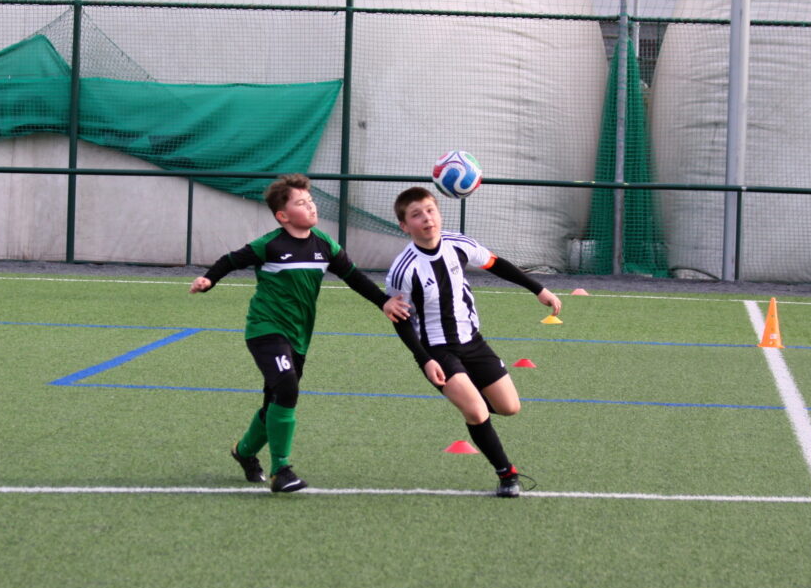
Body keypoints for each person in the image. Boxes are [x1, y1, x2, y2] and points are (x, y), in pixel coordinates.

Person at [190, 173, 409, 492]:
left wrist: (383, 302)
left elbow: (354, 277)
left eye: (311, 201)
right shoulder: (269, 245)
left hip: (299, 336)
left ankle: (244, 452)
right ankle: (281, 470)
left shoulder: (325, 245)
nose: (311, 206)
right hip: (265, 329)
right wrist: (209, 280)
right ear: (283, 215)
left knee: (276, 399)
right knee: (287, 387)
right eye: (302, 203)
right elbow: (230, 260)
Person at [385, 186, 562, 497]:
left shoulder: (459, 244)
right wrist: (424, 360)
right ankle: (507, 475)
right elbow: (401, 320)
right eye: (416, 215)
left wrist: (538, 289)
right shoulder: (403, 269)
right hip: (437, 350)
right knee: (478, 413)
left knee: (509, 407)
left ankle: (469, 397)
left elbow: (496, 264)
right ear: (404, 226)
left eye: (430, 210)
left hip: (473, 342)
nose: (427, 218)